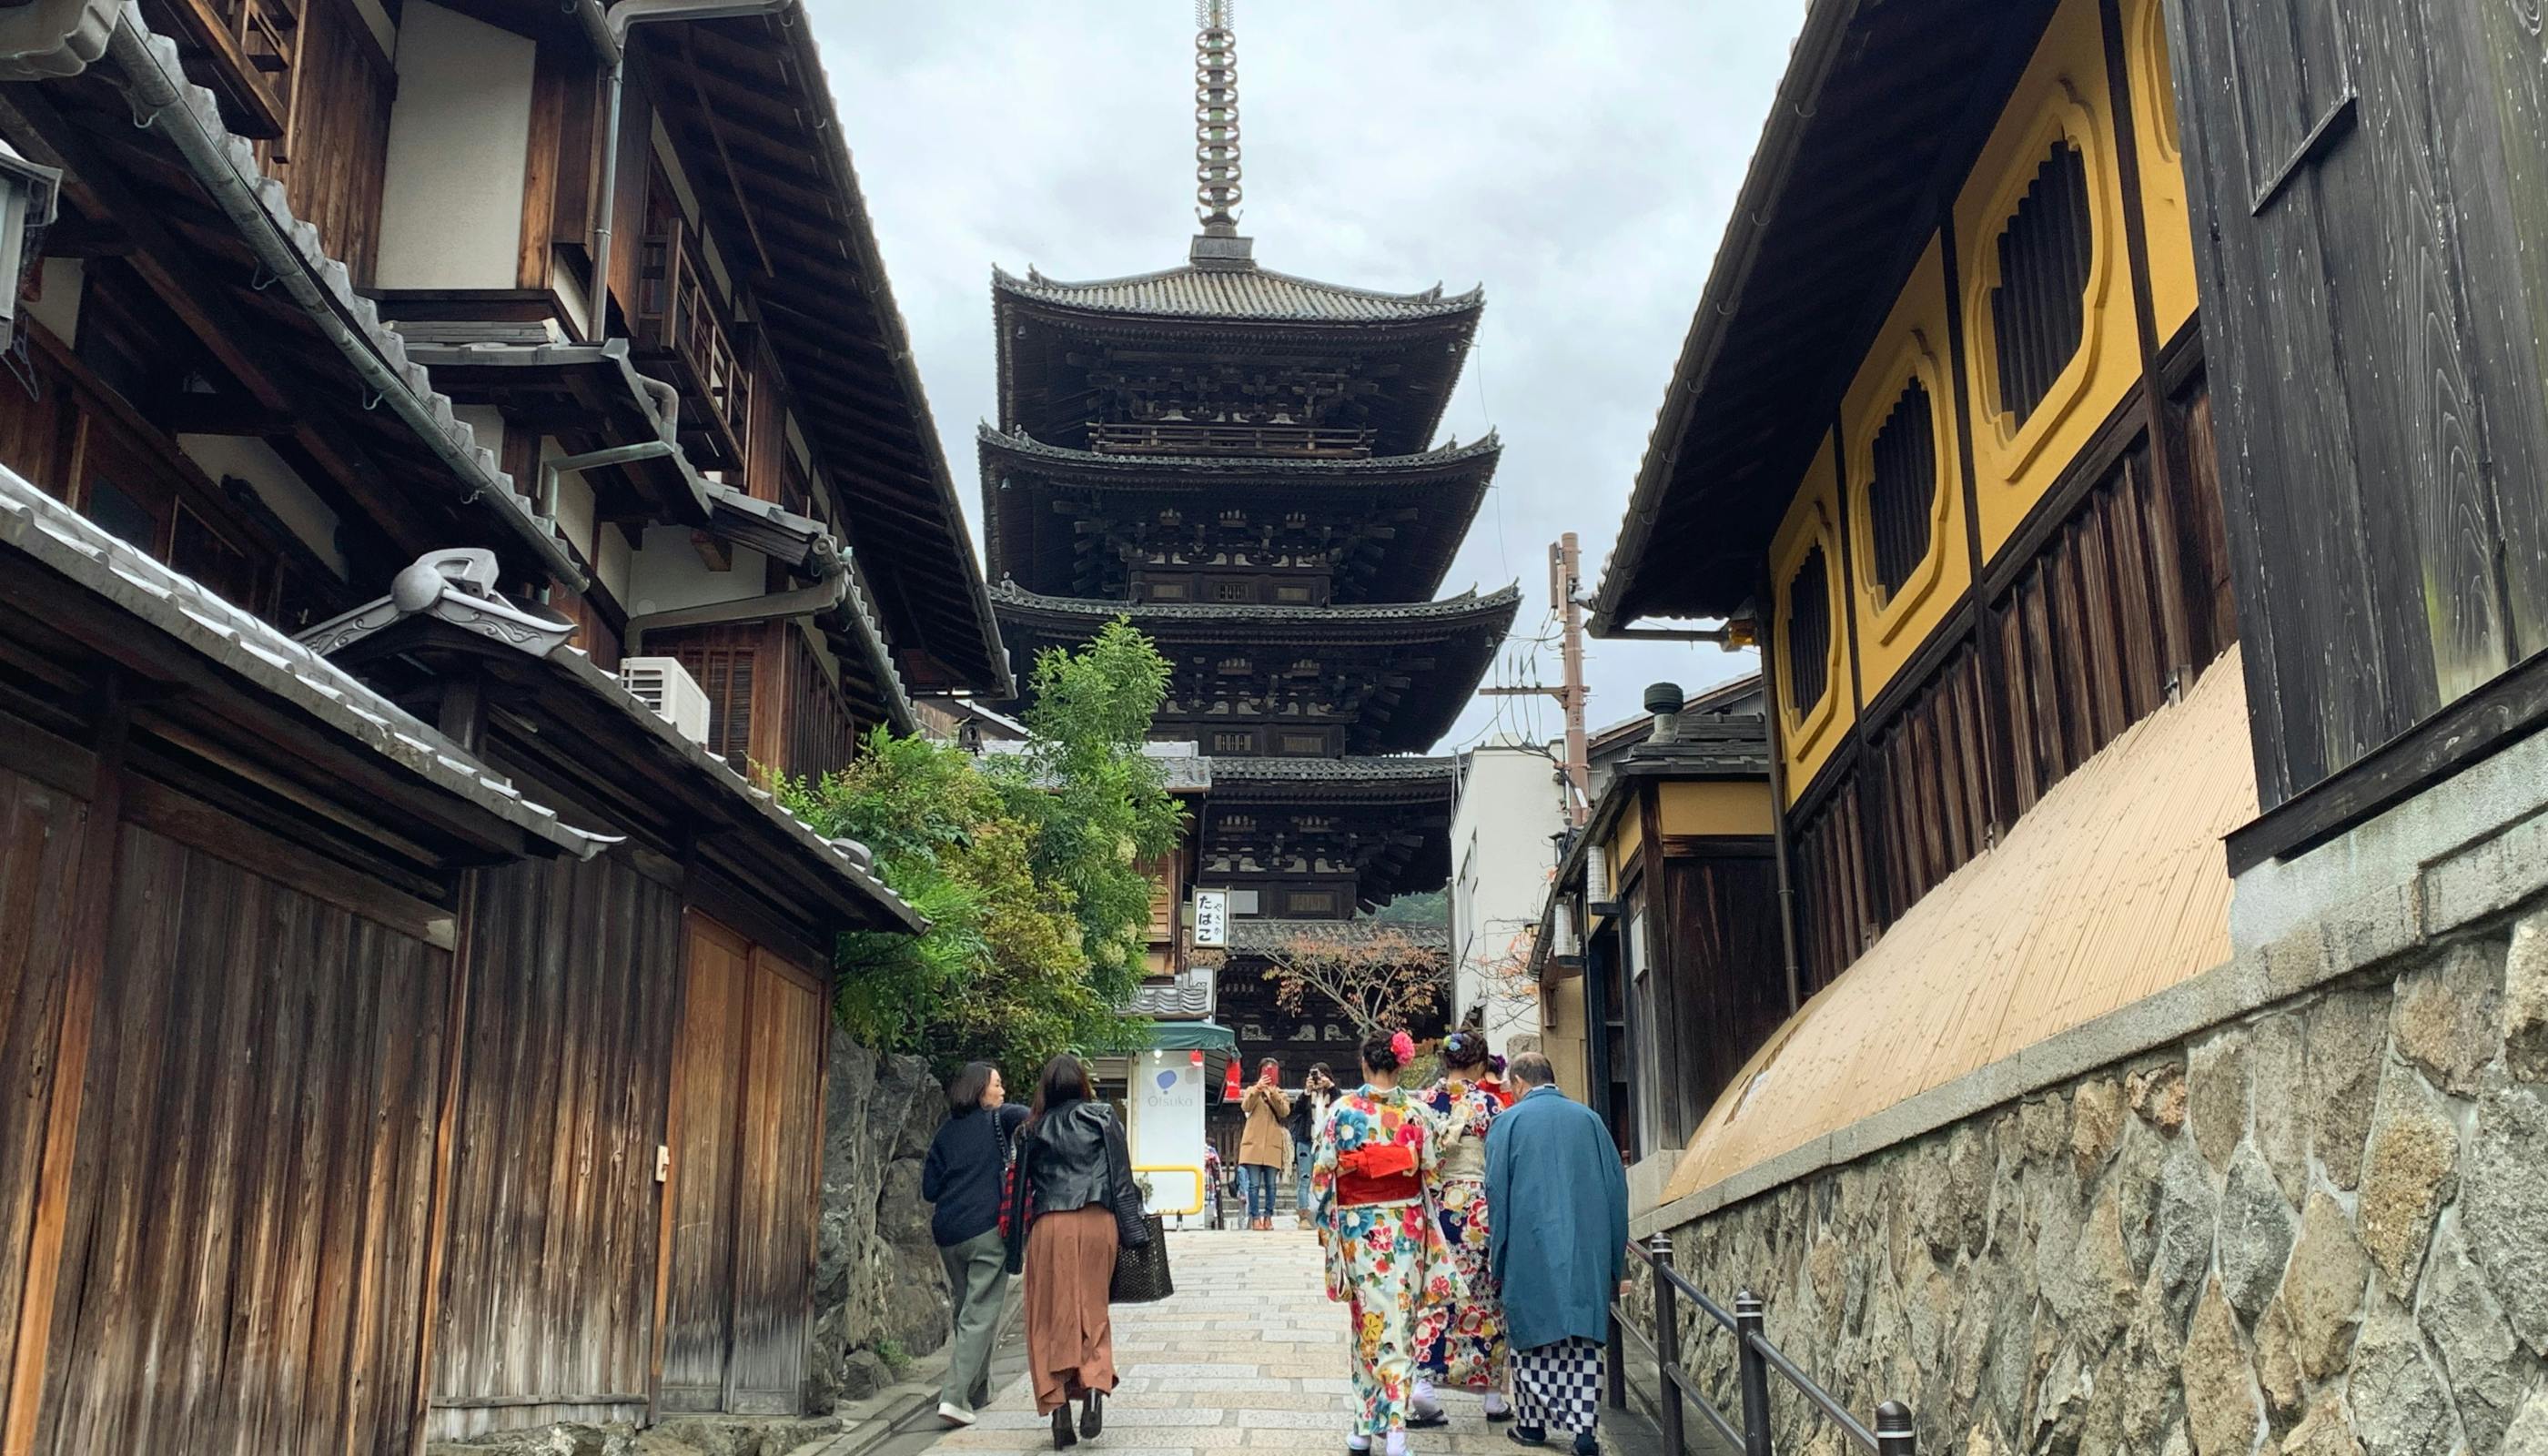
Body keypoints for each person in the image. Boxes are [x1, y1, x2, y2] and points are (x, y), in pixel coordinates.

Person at [1313, 1030, 1452, 1456]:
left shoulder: (1340, 1111)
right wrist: (1399, 1164)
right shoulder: (1417, 1113)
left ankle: (1369, 1430)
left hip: (1359, 1230)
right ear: (1400, 1065)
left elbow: (1322, 1176)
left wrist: (1329, 1231)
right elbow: (1432, 1172)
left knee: (1367, 1326)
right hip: (1406, 1227)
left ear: (1364, 1065)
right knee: (1400, 1324)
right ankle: (1388, 1431)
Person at [1484, 1054, 1628, 1456]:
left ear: (1516, 1083)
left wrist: (1498, 1255)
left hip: (1528, 1248)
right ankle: (1584, 1432)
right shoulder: (1591, 1121)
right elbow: (1617, 1193)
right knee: (1582, 1343)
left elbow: (1497, 1193)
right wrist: (1617, 1262)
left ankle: (1532, 1426)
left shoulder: (1507, 1123)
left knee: (1530, 1339)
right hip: (1585, 1248)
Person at [1006, 1054, 1150, 1451]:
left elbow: (1019, 1192)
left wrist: (1013, 1249)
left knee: (1048, 1317)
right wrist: (1134, 1230)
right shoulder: (1103, 1117)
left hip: (1050, 1224)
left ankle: (1058, 1413)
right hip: (1097, 1218)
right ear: (1083, 1083)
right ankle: (1093, 1391)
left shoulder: (1030, 1128)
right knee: (1092, 1310)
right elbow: (1122, 1177)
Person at [922, 1062, 1030, 1427]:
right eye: (997, 1085)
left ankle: (978, 1391)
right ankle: (952, 1397)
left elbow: (929, 1190)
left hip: (948, 1234)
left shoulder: (944, 1134)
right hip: (986, 1230)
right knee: (979, 1314)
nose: (1002, 1092)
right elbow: (1035, 1118)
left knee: (966, 1309)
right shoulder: (1001, 1118)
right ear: (981, 1090)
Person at [1418, 1032, 1510, 1419]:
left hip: (1432, 1206)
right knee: (1485, 1296)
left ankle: (1423, 1382)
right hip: (1475, 1208)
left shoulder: (1421, 1103)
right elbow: (1501, 1160)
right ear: (1478, 1065)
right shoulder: (1488, 1104)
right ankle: (1491, 1394)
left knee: (1434, 1294)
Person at [1238, 1057, 1293, 1230]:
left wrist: (1273, 1093)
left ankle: (1268, 1217)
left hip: (1272, 1144)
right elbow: (1246, 1106)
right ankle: (1255, 1218)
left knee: (1271, 1184)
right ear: (1260, 1072)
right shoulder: (1251, 1090)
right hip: (1254, 1144)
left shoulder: (1281, 1094)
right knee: (1253, 1184)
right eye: (1266, 1070)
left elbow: (1284, 1111)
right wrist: (1258, 1088)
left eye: (1273, 1070)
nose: (1269, 1073)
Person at [1286, 1063, 1337, 1228]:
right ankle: (1303, 1216)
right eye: (1315, 1075)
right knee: (1305, 1178)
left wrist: (1332, 1087)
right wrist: (1307, 1092)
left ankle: (1327, 1213)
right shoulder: (1307, 1096)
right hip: (1306, 1140)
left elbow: (1340, 1107)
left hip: (1326, 1141)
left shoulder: (1332, 1095)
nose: (1318, 1079)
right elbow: (1297, 1111)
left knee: (1326, 1177)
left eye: (1322, 1075)